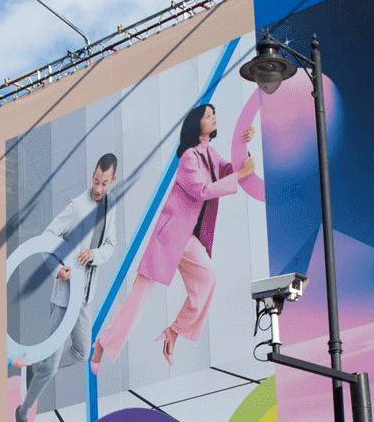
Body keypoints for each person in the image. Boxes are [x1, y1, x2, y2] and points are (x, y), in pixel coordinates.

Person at [92, 105, 254, 372]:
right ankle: (102, 345)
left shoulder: (211, 153)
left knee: (208, 278)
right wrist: (241, 174)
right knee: (140, 295)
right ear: (195, 124)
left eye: (214, 113)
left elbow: (230, 171)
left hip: (188, 238)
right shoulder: (189, 157)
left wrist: (242, 145)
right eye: (207, 115)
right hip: (170, 236)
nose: (214, 116)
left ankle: (174, 331)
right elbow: (202, 190)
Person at [11, 153, 119, 422]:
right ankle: (22, 412)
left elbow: (110, 245)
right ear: (93, 175)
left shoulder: (110, 208)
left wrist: (95, 255)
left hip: (84, 300)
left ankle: (43, 363)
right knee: (50, 366)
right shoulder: (77, 207)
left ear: (112, 181)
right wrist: (58, 269)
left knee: (83, 353)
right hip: (64, 297)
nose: (98, 188)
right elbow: (47, 237)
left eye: (104, 183)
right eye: (95, 181)